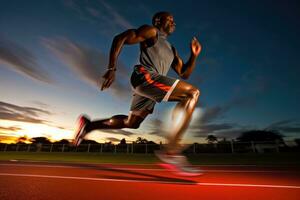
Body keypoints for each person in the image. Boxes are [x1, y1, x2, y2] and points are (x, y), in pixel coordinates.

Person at [73, 11, 202, 175]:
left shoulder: (172, 49)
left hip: (151, 85)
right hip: (145, 76)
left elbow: (184, 73)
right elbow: (120, 38)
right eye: (169, 19)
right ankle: (172, 151)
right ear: (158, 21)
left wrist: (194, 55)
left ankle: (89, 125)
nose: (173, 22)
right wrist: (112, 68)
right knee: (192, 93)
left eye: (174, 20)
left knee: (132, 123)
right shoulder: (151, 31)